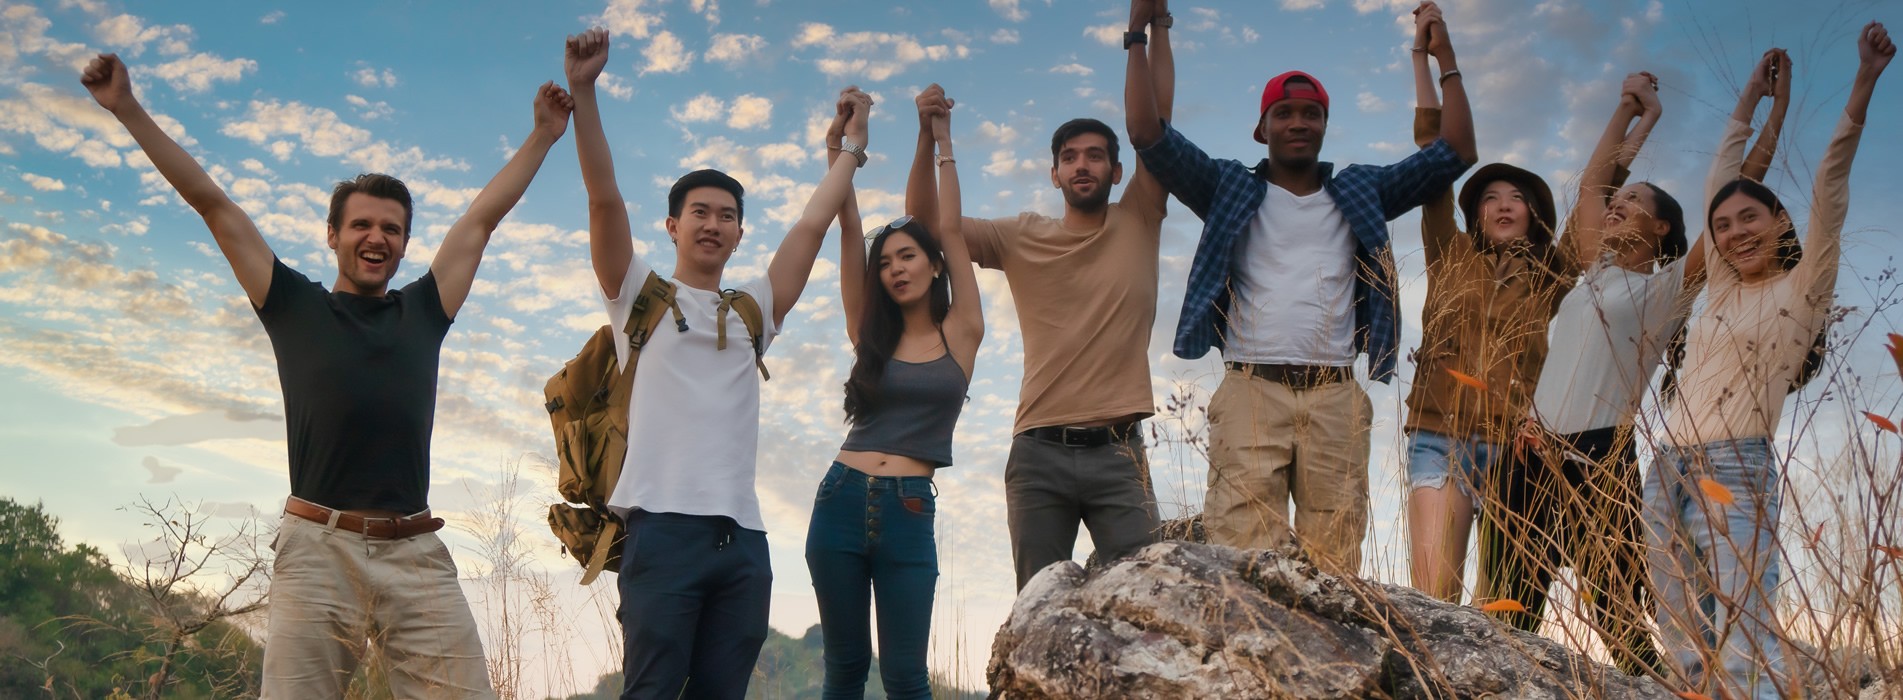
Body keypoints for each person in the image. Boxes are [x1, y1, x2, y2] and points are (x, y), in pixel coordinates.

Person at [81, 53, 571, 697]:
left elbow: (480, 221)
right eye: (362, 225)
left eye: (392, 229)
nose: (377, 238)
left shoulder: (426, 309)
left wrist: (542, 135)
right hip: (319, 548)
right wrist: (125, 106)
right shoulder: (292, 305)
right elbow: (213, 205)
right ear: (333, 235)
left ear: (403, 244)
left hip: (416, 551)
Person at [563, 28, 871, 700]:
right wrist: (585, 93)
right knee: (649, 690)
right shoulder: (635, 298)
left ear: (738, 232)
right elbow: (603, 198)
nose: (712, 223)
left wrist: (850, 149)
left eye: (726, 215)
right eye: (698, 212)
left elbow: (813, 224)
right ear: (672, 226)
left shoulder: (753, 310)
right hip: (659, 532)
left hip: (743, 541)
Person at [1127, 0, 1475, 575]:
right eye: (1284, 113)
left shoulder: (1361, 190)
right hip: (1250, 391)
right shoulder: (1228, 186)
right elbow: (1148, 134)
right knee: (1241, 561)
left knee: (1333, 564)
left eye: (1310, 114)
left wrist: (1444, 58)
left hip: (1334, 395)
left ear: (1324, 126)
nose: (1297, 123)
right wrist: (1138, 33)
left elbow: (1457, 152)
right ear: (1262, 127)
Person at [1487, 52, 1789, 675]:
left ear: (1662, 227)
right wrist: (1631, 107)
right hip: (1528, 453)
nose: (1615, 205)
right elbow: (1594, 181)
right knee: (1504, 621)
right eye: (1617, 201)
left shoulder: (1669, 289)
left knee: (1623, 628)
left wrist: (1767, 107)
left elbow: (1739, 189)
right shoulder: (1592, 271)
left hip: (1599, 464)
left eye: (1634, 201)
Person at [1645, 23, 1890, 700]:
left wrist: (1863, 82)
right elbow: (1722, 176)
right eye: (1722, 227)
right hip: (1665, 465)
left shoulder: (1803, 286)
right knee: (1676, 613)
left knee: (1741, 614)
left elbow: (1830, 177)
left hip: (1733, 467)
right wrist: (1750, 96)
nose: (1733, 232)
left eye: (1748, 219)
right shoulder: (1721, 286)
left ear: (1779, 224)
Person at [960, 0, 1174, 590]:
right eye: (1069, 157)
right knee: (1037, 607)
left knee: (1146, 599)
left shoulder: (1140, 215)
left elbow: (1157, 126)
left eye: (1095, 156)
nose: (1082, 165)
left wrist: (1152, 30)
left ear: (1117, 170)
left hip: (1119, 455)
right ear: (1054, 172)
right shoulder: (1020, 236)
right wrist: (938, 143)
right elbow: (934, 226)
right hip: (1038, 455)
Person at [804, 83, 980, 700]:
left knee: (907, 676)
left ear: (932, 265)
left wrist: (939, 141)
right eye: (886, 263)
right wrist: (849, 143)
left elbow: (950, 228)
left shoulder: (962, 332)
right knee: (845, 671)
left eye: (908, 256)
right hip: (840, 500)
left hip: (909, 510)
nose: (896, 268)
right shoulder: (867, 333)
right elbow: (848, 227)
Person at [1397, 1, 1572, 603]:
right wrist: (1431, 58)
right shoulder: (1450, 253)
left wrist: (1633, 116)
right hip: (1438, 437)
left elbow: (1602, 192)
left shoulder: (1554, 275)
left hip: (1516, 453)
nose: (1502, 204)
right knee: (1434, 599)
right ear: (1473, 212)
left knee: (1505, 609)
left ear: (1533, 211)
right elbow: (1432, 154)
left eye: (1516, 196)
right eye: (1490, 196)